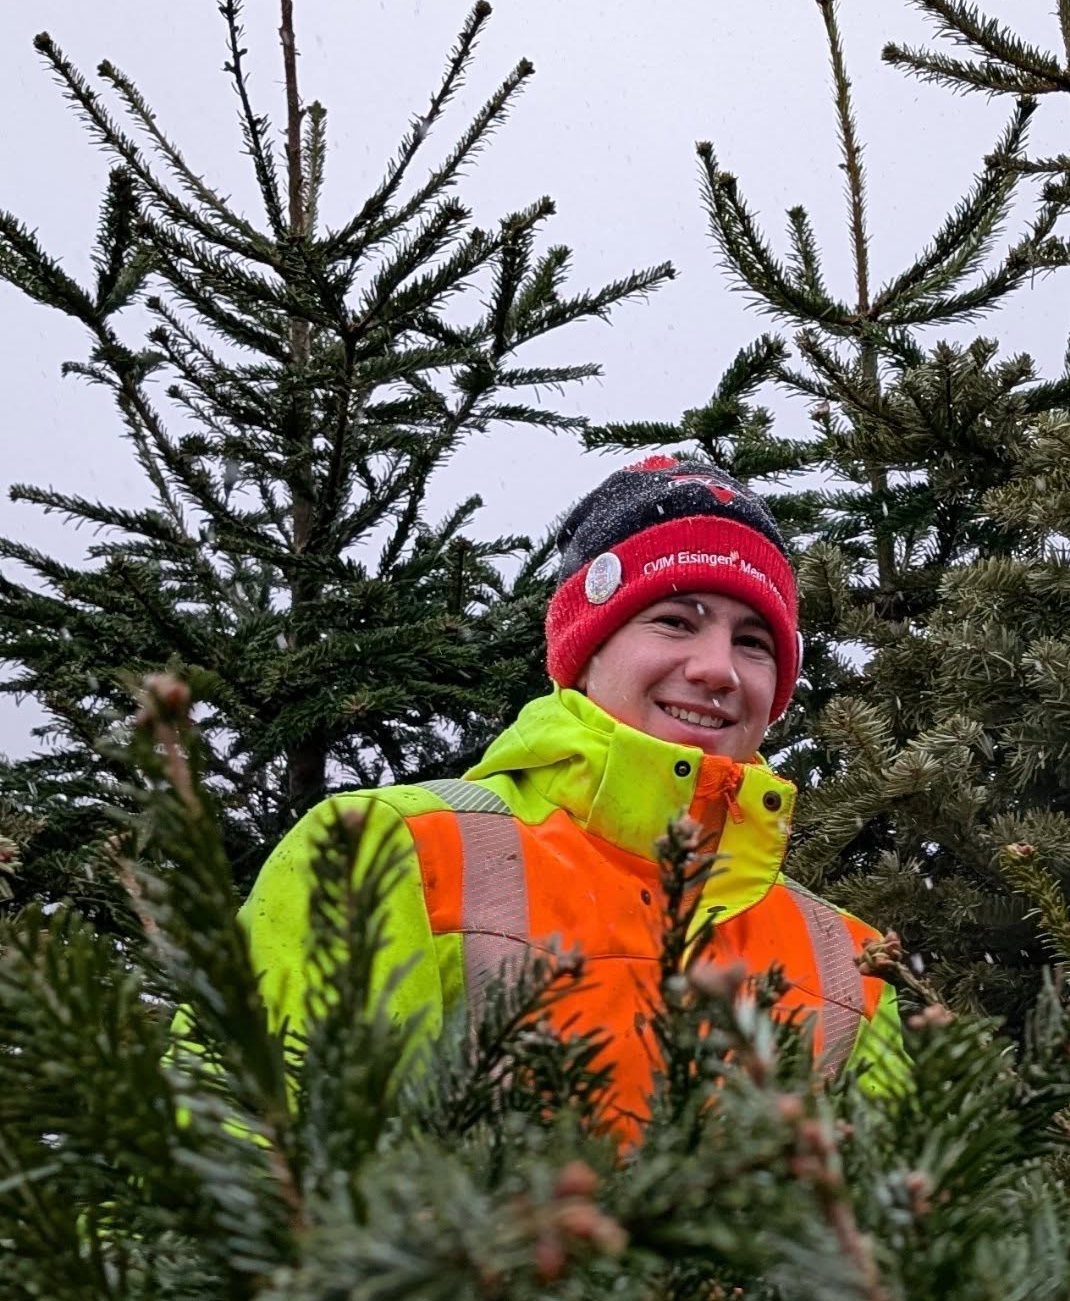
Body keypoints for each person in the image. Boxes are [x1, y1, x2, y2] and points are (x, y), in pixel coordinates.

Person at [238, 456, 906, 1139]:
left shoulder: (849, 963)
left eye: (754, 642)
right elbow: (247, 1164)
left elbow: (906, 1231)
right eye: (676, 620)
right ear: (584, 649)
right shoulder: (391, 851)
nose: (717, 668)